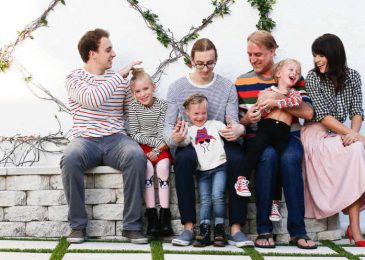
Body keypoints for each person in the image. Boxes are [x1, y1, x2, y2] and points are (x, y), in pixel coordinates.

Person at [60, 28, 148, 244]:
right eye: (108, 50)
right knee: (69, 159)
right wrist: (120, 75)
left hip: (116, 138)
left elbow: (131, 111)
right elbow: (92, 99)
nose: (114, 54)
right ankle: (78, 226)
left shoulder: (119, 81)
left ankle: (132, 227)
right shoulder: (74, 78)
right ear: (93, 53)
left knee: (136, 157)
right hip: (85, 139)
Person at [164, 38, 253, 247]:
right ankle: (188, 228)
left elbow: (233, 121)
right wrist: (173, 138)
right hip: (189, 139)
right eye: (200, 63)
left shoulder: (226, 87)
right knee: (183, 160)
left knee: (239, 158)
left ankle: (236, 229)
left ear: (216, 60)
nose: (205, 68)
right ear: (191, 61)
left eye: (210, 63)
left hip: (219, 138)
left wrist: (240, 129)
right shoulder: (177, 88)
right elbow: (168, 126)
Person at [235, 30, 317, 249]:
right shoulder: (242, 82)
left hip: (289, 135)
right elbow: (238, 120)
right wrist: (246, 119)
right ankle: (264, 229)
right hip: (259, 136)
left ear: (272, 52)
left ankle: (298, 231)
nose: (253, 59)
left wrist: (277, 98)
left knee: (290, 159)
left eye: (258, 54)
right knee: (268, 157)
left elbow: (308, 112)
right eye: (249, 54)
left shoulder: (292, 75)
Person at [301, 33, 365, 247]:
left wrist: (355, 133)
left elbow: (357, 109)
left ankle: (354, 227)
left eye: (321, 55)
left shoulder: (353, 76)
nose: (317, 60)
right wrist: (351, 135)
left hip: (339, 133)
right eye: (315, 55)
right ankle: (354, 229)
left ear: (333, 55)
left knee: (356, 150)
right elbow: (322, 115)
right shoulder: (312, 77)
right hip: (316, 133)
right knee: (356, 150)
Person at [235, 59, 302, 222]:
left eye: (298, 72)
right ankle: (242, 179)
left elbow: (297, 103)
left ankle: (275, 203)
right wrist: (259, 110)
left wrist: (275, 102)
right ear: (278, 73)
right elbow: (260, 108)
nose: (295, 73)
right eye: (291, 69)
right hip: (267, 128)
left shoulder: (294, 93)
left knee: (279, 166)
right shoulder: (267, 90)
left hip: (283, 132)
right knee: (255, 151)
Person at [129, 68, 173, 237]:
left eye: (145, 89)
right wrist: (153, 147)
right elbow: (134, 133)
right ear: (133, 93)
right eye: (137, 91)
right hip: (143, 146)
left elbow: (164, 131)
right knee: (147, 169)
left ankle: (165, 216)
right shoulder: (133, 107)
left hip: (162, 146)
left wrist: (157, 149)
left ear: (153, 87)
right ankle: (152, 216)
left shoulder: (163, 105)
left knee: (162, 168)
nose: (142, 94)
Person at [180, 93, 228, 247]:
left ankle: (219, 229)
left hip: (219, 166)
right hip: (202, 170)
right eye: (196, 113)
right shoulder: (190, 130)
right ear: (188, 113)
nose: (200, 117)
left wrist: (235, 127)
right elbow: (183, 142)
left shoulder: (215, 124)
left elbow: (228, 130)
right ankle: (205, 231)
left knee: (218, 196)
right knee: (205, 199)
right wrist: (178, 134)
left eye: (203, 113)